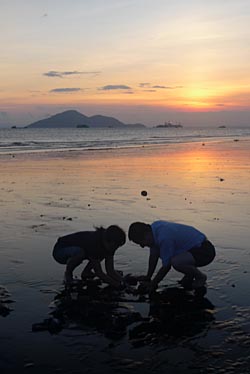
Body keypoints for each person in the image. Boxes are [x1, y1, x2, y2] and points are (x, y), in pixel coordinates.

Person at [128, 220, 216, 293]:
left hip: (205, 251)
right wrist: (148, 277)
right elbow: (153, 257)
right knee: (175, 258)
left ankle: (200, 277)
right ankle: (190, 274)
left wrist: (153, 284)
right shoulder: (154, 228)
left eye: (141, 242)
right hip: (193, 248)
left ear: (146, 233)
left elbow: (166, 266)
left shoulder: (164, 238)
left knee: (176, 262)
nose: (142, 246)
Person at [53, 225, 126, 288]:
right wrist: (117, 285)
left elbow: (110, 271)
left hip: (83, 250)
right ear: (109, 241)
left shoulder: (110, 245)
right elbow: (99, 273)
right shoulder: (94, 243)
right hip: (60, 251)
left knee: (100, 254)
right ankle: (68, 275)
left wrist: (124, 282)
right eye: (116, 245)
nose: (116, 248)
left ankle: (86, 272)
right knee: (80, 253)